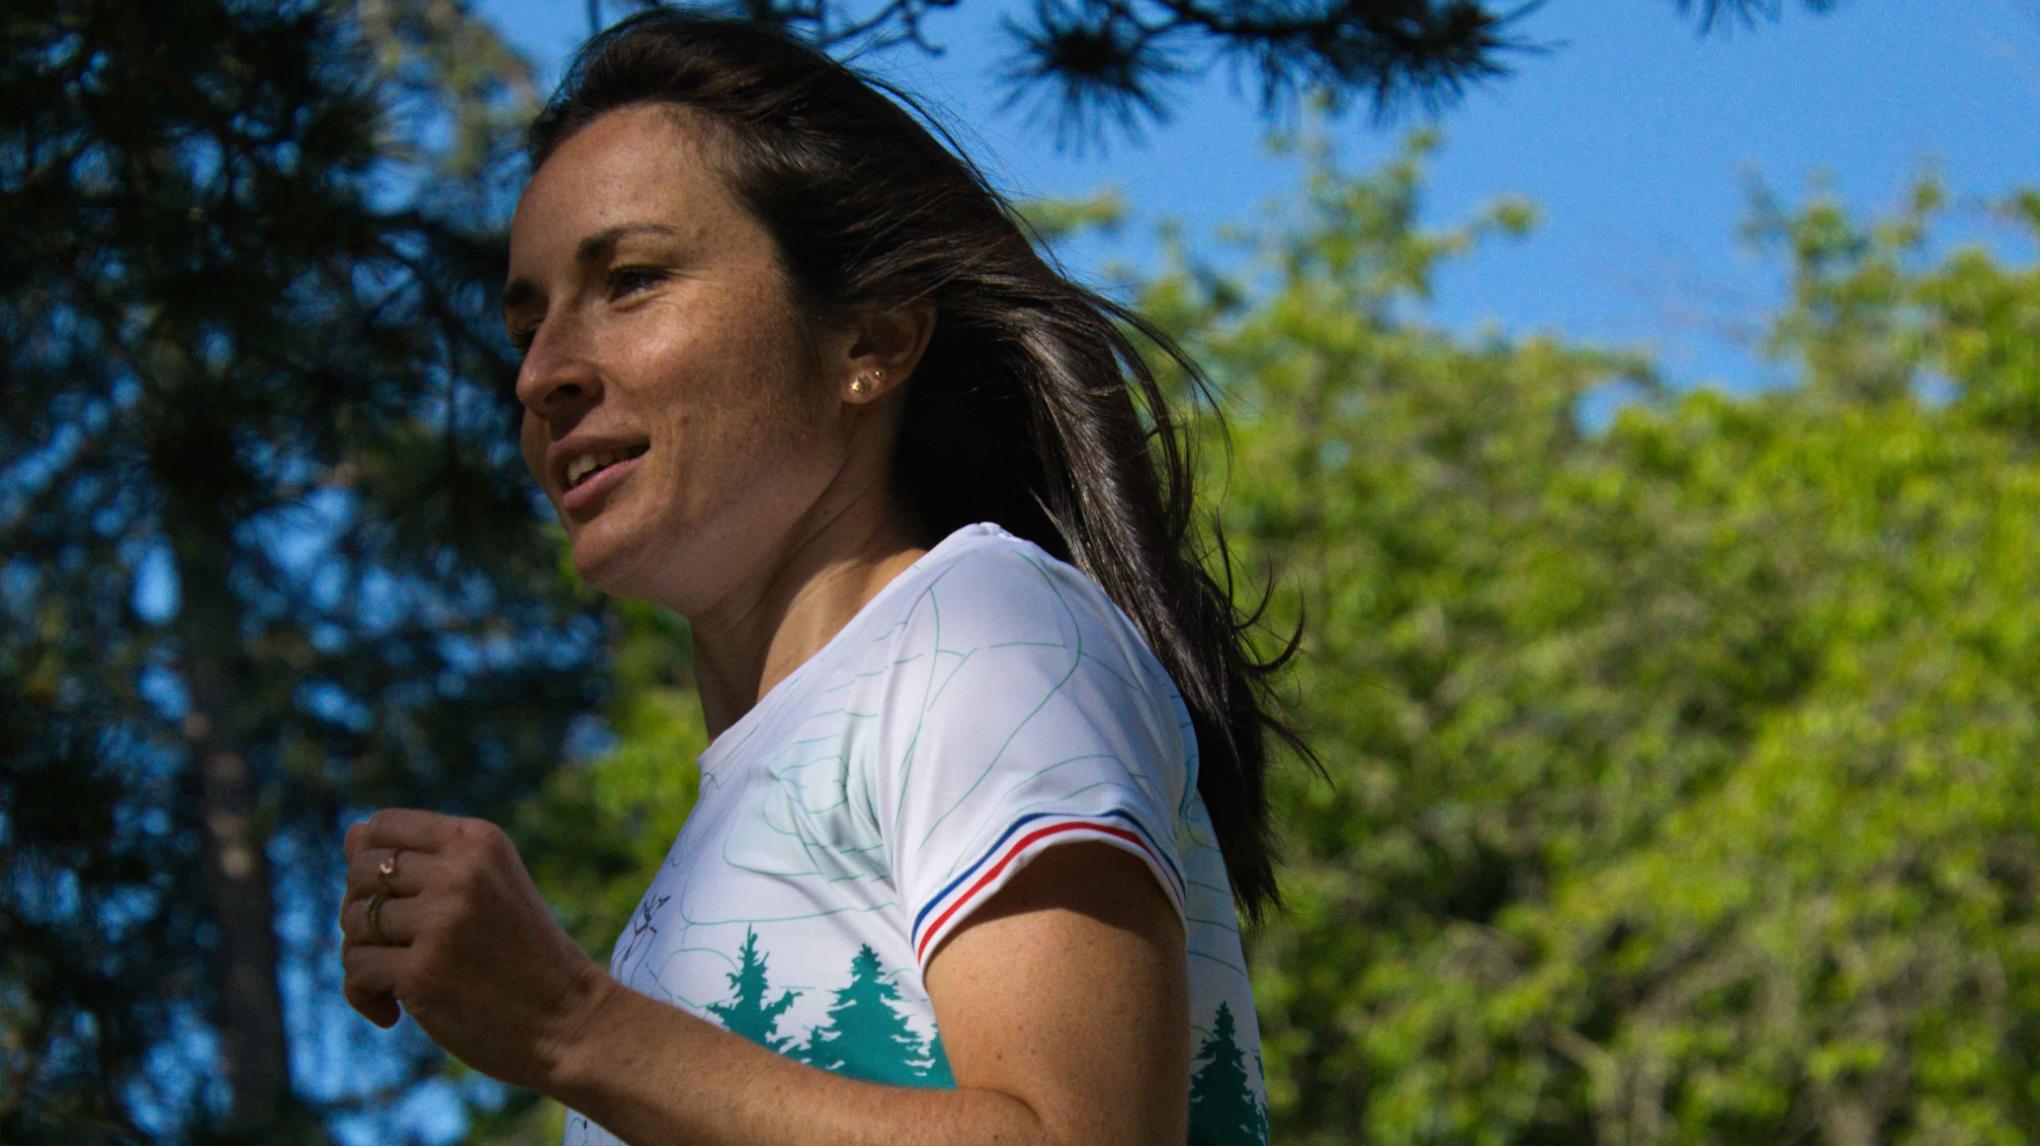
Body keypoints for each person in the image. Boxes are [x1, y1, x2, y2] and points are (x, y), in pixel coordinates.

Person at [337, 11, 1310, 1145]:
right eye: (527, 326)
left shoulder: (985, 629)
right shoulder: (706, 870)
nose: (541, 373)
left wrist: (568, 1026)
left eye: (632, 280)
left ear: (870, 342)